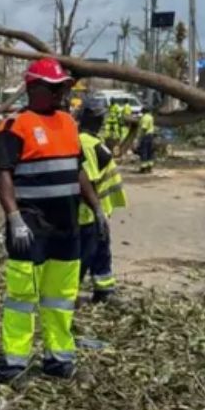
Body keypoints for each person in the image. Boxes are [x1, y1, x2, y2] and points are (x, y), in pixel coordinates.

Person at [0, 58, 106, 382]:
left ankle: (58, 358)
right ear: (34, 88)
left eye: (64, 88)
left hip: (66, 227)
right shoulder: (15, 126)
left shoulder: (68, 123)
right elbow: (2, 174)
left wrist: (95, 207)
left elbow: (78, 170)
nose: (61, 94)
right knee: (22, 297)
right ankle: (15, 361)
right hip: (30, 226)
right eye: (54, 88)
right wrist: (13, 217)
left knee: (60, 297)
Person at [76, 107, 128, 304]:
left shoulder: (93, 142)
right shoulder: (86, 144)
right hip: (86, 214)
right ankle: (68, 296)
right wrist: (96, 209)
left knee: (101, 252)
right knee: (83, 255)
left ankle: (103, 291)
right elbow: (87, 180)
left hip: (97, 212)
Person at [137, 107, 156, 173]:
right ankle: (149, 167)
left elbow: (144, 128)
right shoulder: (151, 117)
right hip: (151, 135)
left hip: (145, 136)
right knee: (150, 151)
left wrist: (140, 137)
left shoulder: (144, 118)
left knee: (144, 151)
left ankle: (143, 167)